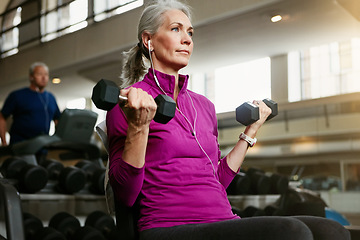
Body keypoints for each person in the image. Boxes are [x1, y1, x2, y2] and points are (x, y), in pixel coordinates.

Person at [106, 1, 350, 239]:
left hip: (221, 220)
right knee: (292, 232)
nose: (187, 39)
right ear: (148, 40)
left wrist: (251, 131)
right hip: (169, 225)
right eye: (175, 29)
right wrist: (139, 126)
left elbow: (218, 181)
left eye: (190, 32)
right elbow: (125, 194)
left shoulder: (204, 106)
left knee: (331, 231)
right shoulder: (129, 103)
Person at [0, 62, 61, 146]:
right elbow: (2, 117)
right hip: (21, 145)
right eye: (39, 74)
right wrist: (4, 142)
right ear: (31, 77)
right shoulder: (18, 95)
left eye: (46, 74)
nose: (44, 77)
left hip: (43, 145)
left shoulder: (51, 98)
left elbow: (57, 120)